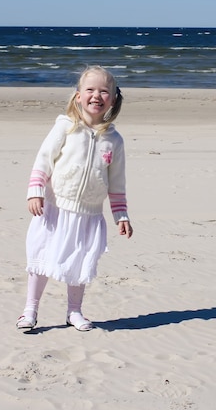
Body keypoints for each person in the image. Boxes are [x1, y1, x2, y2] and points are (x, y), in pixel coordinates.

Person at [16, 65, 133, 332]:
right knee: (41, 258)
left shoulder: (114, 140)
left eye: (104, 91)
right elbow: (44, 159)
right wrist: (35, 191)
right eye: (90, 90)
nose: (96, 95)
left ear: (113, 99)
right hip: (54, 208)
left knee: (79, 263)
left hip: (88, 213)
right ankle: (30, 311)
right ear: (78, 95)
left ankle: (74, 311)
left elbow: (117, 183)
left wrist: (121, 214)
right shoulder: (66, 127)